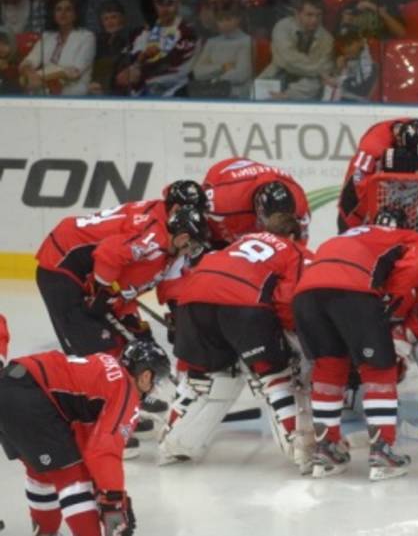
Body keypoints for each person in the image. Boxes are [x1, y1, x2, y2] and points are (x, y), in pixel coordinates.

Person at [159, 210, 308, 468]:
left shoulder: (238, 242)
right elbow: (286, 299)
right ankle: (300, 447)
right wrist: (288, 335)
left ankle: (171, 442)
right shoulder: (292, 250)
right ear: (293, 235)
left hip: (192, 299)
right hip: (243, 304)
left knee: (201, 377)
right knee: (275, 375)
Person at [292, 223, 418, 480]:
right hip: (352, 291)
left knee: (328, 369)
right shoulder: (407, 236)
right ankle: (383, 452)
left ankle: (326, 450)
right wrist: (388, 298)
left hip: (305, 295)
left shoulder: (342, 237)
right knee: (380, 371)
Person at [0, 340, 170, 536]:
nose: (155, 389)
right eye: (158, 380)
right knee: (72, 477)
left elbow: (87, 443)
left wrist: (105, 491)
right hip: (29, 397)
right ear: (145, 376)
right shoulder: (125, 391)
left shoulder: (106, 365)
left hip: (10, 383)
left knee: (42, 472)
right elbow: (103, 452)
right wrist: (114, 498)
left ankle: (45, 532)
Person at [35, 198, 208, 360]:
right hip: (62, 261)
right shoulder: (153, 240)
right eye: (194, 246)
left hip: (91, 271)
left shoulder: (169, 250)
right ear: (183, 238)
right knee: (97, 351)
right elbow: (108, 254)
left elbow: (163, 283)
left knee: (141, 344)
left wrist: (179, 316)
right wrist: (102, 291)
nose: (192, 252)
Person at [337, 118, 418, 232]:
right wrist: (384, 164)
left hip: (407, 217)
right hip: (363, 214)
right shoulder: (373, 145)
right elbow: (356, 183)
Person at [115, 0, 200, 97]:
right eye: (160, 3)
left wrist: (140, 70)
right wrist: (129, 70)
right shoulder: (145, 31)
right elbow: (129, 57)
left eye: (169, 3)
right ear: (154, 4)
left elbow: (175, 65)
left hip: (175, 93)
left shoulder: (187, 33)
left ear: (178, 3)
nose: (165, 9)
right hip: (142, 92)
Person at [202, 157, 311, 245]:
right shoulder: (223, 198)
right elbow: (194, 207)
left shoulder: (301, 209)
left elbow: (298, 250)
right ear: (258, 210)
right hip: (226, 181)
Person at [259, 0, 333, 101]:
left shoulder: (327, 39)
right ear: (297, 14)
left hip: (306, 88)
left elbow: (325, 70)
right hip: (277, 75)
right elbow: (287, 61)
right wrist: (318, 71)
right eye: (309, 15)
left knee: (316, 82)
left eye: (319, 15)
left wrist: (289, 95)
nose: (314, 20)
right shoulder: (282, 27)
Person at [18, 0, 95, 96]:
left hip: (74, 94)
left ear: (75, 14)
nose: (63, 13)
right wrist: (30, 73)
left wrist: (38, 76)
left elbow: (74, 72)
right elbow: (28, 62)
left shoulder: (87, 37)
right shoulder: (47, 37)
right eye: (58, 9)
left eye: (68, 9)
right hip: (45, 92)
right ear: (53, 14)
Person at [191, 2, 253, 99]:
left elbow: (241, 75)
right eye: (220, 20)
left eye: (228, 19)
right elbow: (197, 72)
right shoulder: (212, 42)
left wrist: (213, 78)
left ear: (238, 19)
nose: (225, 24)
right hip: (211, 93)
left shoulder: (246, 41)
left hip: (238, 95)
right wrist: (223, 67)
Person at [335, 0, 406, 40]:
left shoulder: (384, 0)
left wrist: (372, 7)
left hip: (382, 48)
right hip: (359, 49)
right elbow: (340, 41)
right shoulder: (348, 8)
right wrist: (343, 25)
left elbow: (401, 33)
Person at [89, 0, 130, 95]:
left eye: (113, 17)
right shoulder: (98, 41)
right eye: (106, 19)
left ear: (122, 18)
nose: (110, 22)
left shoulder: (130, 38)